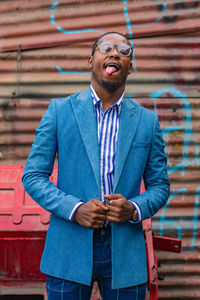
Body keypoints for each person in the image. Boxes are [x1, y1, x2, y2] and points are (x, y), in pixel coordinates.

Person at [22, 31, 170, 300]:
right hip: (68, 248)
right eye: (106, 48)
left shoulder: (147, 122)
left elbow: (160, 185)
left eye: (124, 52)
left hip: (125, 254)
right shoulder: (60, 111)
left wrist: (134, 208)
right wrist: (75, 209)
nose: (115, 53)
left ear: (130, 67)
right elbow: (33, 176)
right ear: (91, 60)